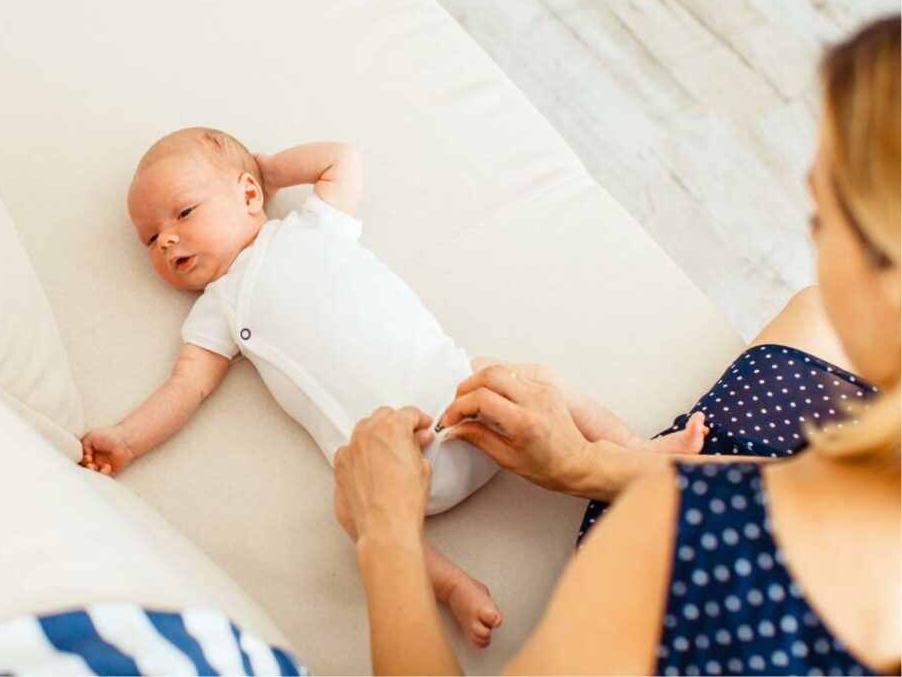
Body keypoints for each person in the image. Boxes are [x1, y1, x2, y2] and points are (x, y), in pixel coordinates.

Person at [334, 14, 900, 674]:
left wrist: (387, 535)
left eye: (822, 219)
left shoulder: (690, 537)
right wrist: (592, 464)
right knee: (812, 318)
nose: (814, 247)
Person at [79, 128, 702, 647]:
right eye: (149, 238)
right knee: (348, 511)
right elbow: (186, 388)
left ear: (247, 196)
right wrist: (128, 439)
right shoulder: (216, 310)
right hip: (396, 478)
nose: (165, 239)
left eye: (183, 213)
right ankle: (452, 583)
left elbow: (340, 159)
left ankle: (633, 449)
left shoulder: (310, 228)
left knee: (529, 379)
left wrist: (267, 170)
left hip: (462, 399)